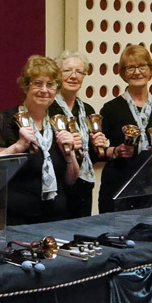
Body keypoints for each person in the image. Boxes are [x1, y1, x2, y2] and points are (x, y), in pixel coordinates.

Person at [0, 55, 81, 224]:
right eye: (37, 83)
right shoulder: (6, 120)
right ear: (26, 87)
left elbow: (71, 179)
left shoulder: (59, 122)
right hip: (16, 221)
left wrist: (69, 154)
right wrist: (17, 147)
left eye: (50, 85)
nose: (44, 90)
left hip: (55, 219)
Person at [97, 44, 152, 213]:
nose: (137, 72)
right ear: (123, 73)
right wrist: (116, 150)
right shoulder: (111, 108)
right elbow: (98, 151)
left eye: (142, 66)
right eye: (130, 67)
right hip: (118, 184)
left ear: (151, 69)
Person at [52, 50, 108, 217]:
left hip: (83, 186)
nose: (73, 76)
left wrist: (99, 146)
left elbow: (91, 156)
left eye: (79, 72)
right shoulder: (49, 108)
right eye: (67, 70)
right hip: (58, 186)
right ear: (57, 74)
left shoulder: (87, 110)